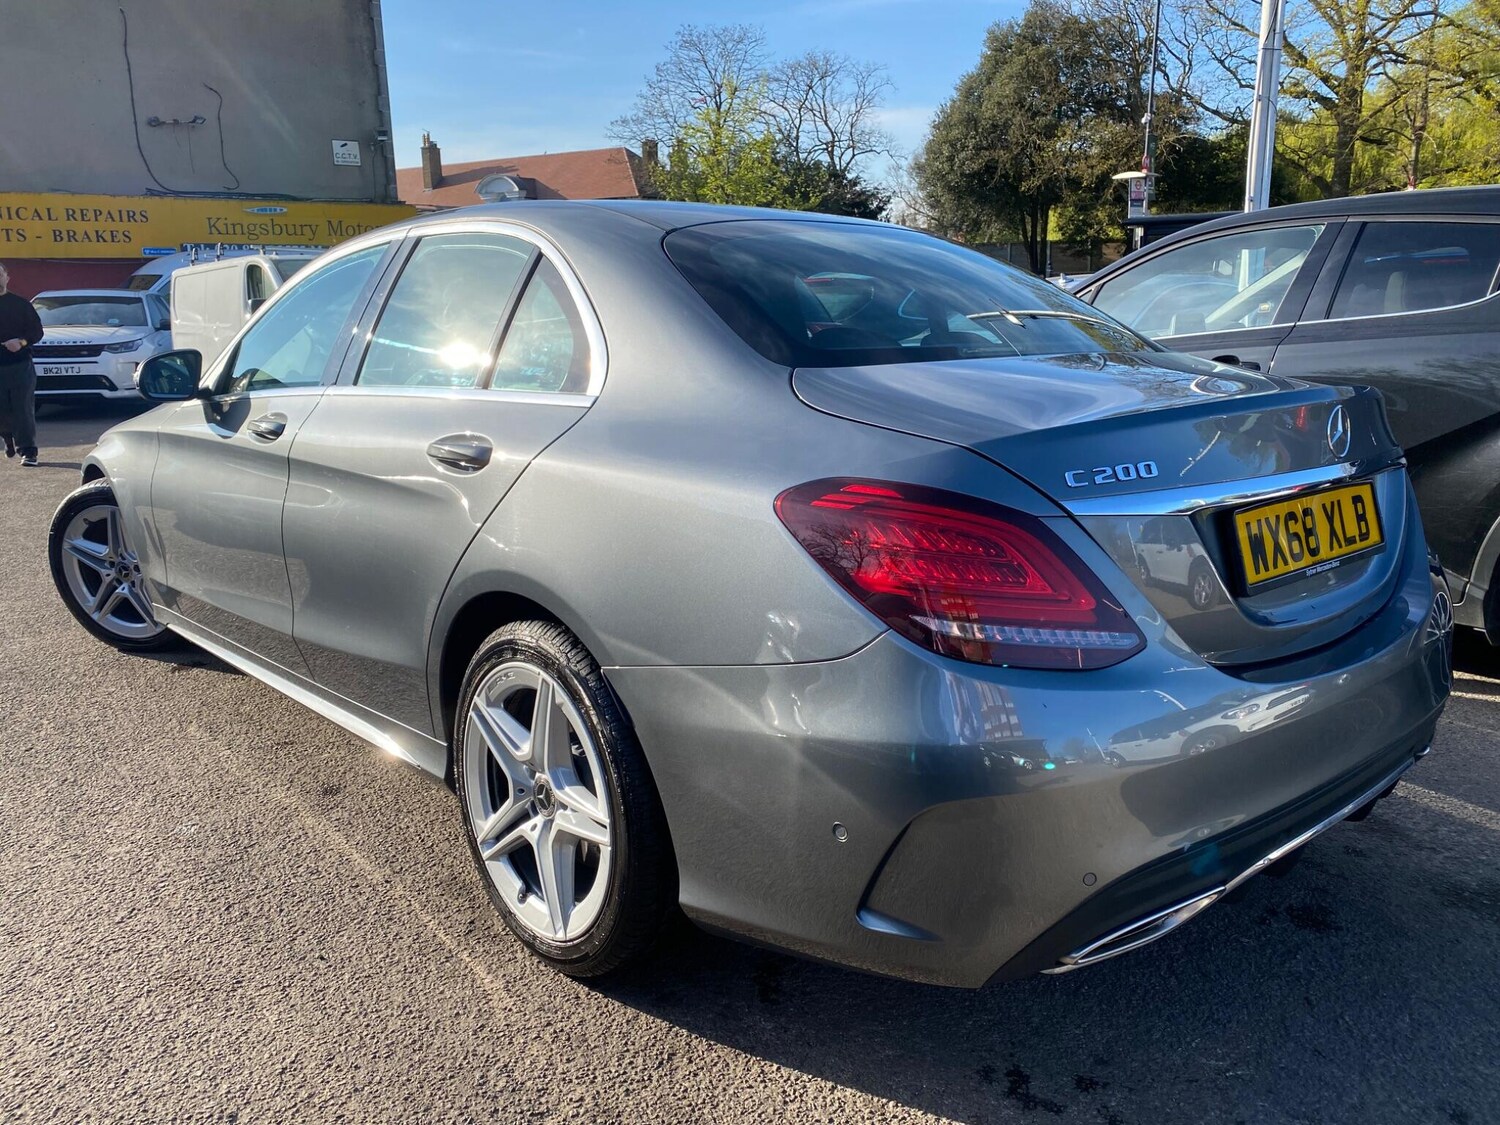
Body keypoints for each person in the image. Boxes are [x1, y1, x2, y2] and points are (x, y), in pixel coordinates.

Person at [0, 262, 44, 467]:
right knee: (2, 410)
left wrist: (21, 342)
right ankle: (8, 439)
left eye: (0, 275)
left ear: (7, 278)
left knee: (23, 409)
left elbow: (37, 332)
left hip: (20, 365)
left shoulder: (21, 304)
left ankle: (28, 451)